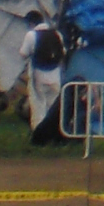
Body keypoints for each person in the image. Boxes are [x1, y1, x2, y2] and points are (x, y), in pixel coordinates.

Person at [22, 11, 66, 147]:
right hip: (55, 75)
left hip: (38, 74)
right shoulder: (57, 34)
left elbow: (23, 53)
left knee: (38, 105)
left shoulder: (31, 34)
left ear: (31, 23)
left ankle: (38, 137)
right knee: (54, 107)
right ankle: (55, 135)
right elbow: (63, 52)